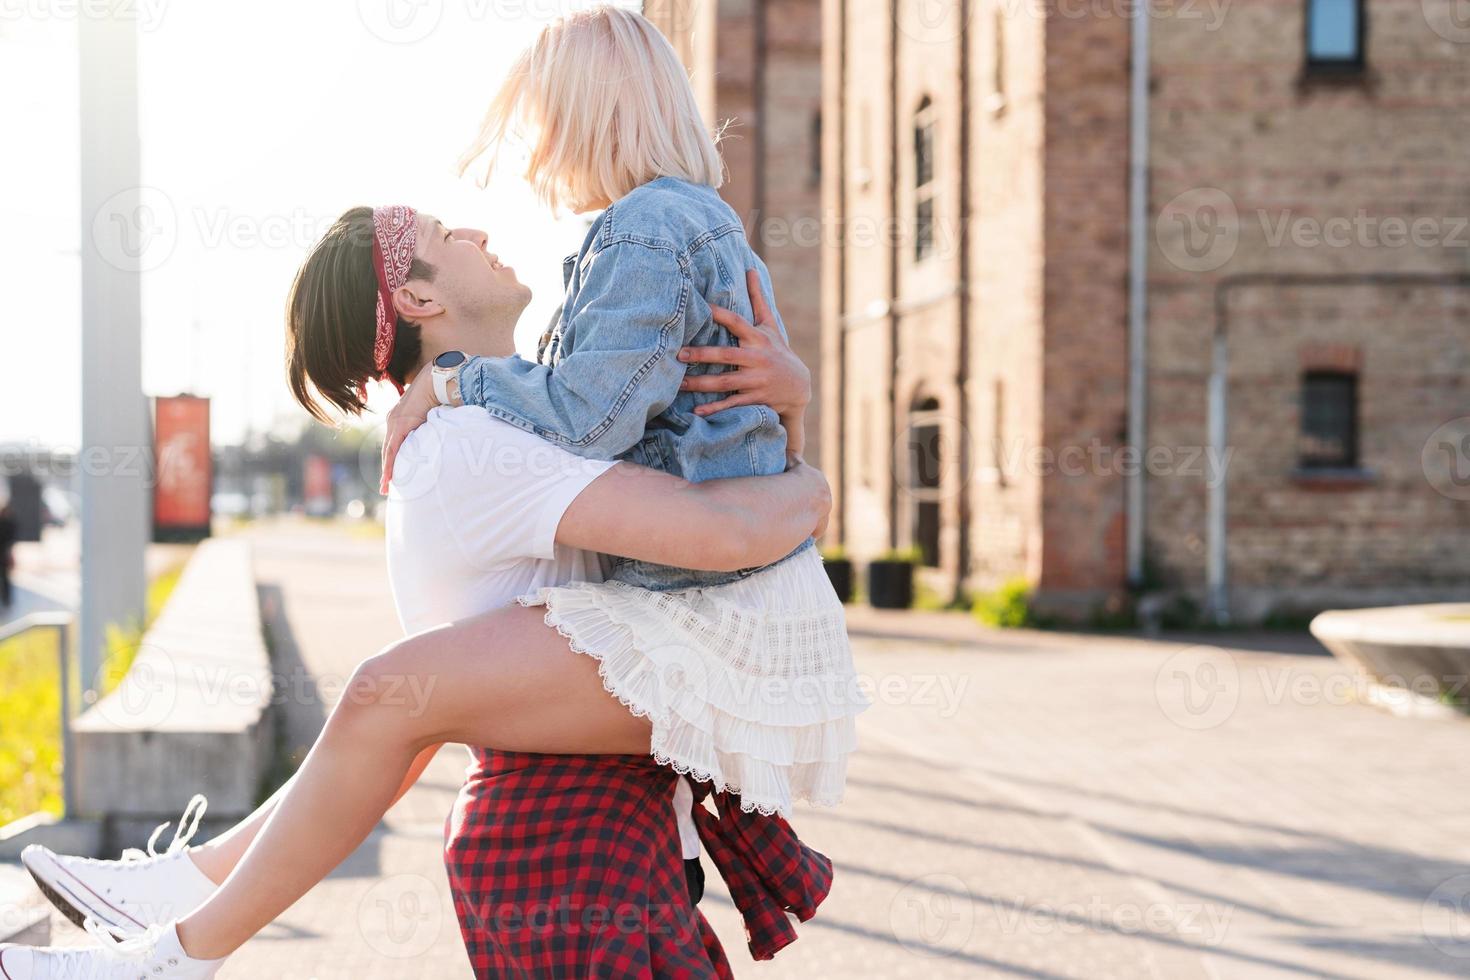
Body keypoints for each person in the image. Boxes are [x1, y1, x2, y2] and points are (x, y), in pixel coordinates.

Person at [1, 8, 866, 977]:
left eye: (539, 124)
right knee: (389, 690)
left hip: (640, 756)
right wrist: (810, 475)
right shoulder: (483, 437)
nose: (492, 217)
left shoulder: (513, 382)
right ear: (416, 299)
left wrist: (793, 424)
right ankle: (176, 933)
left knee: (389, 691)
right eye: (451, 233)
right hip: (602, 799)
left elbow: (651, 424)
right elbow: (699, 506)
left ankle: (180, 917)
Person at [0, 502, 14, 609]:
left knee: (5, 578)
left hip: (4, 555)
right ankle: (6, 599)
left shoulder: (8, 524)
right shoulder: (8, 523)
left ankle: (7, 599)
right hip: (4, 554)